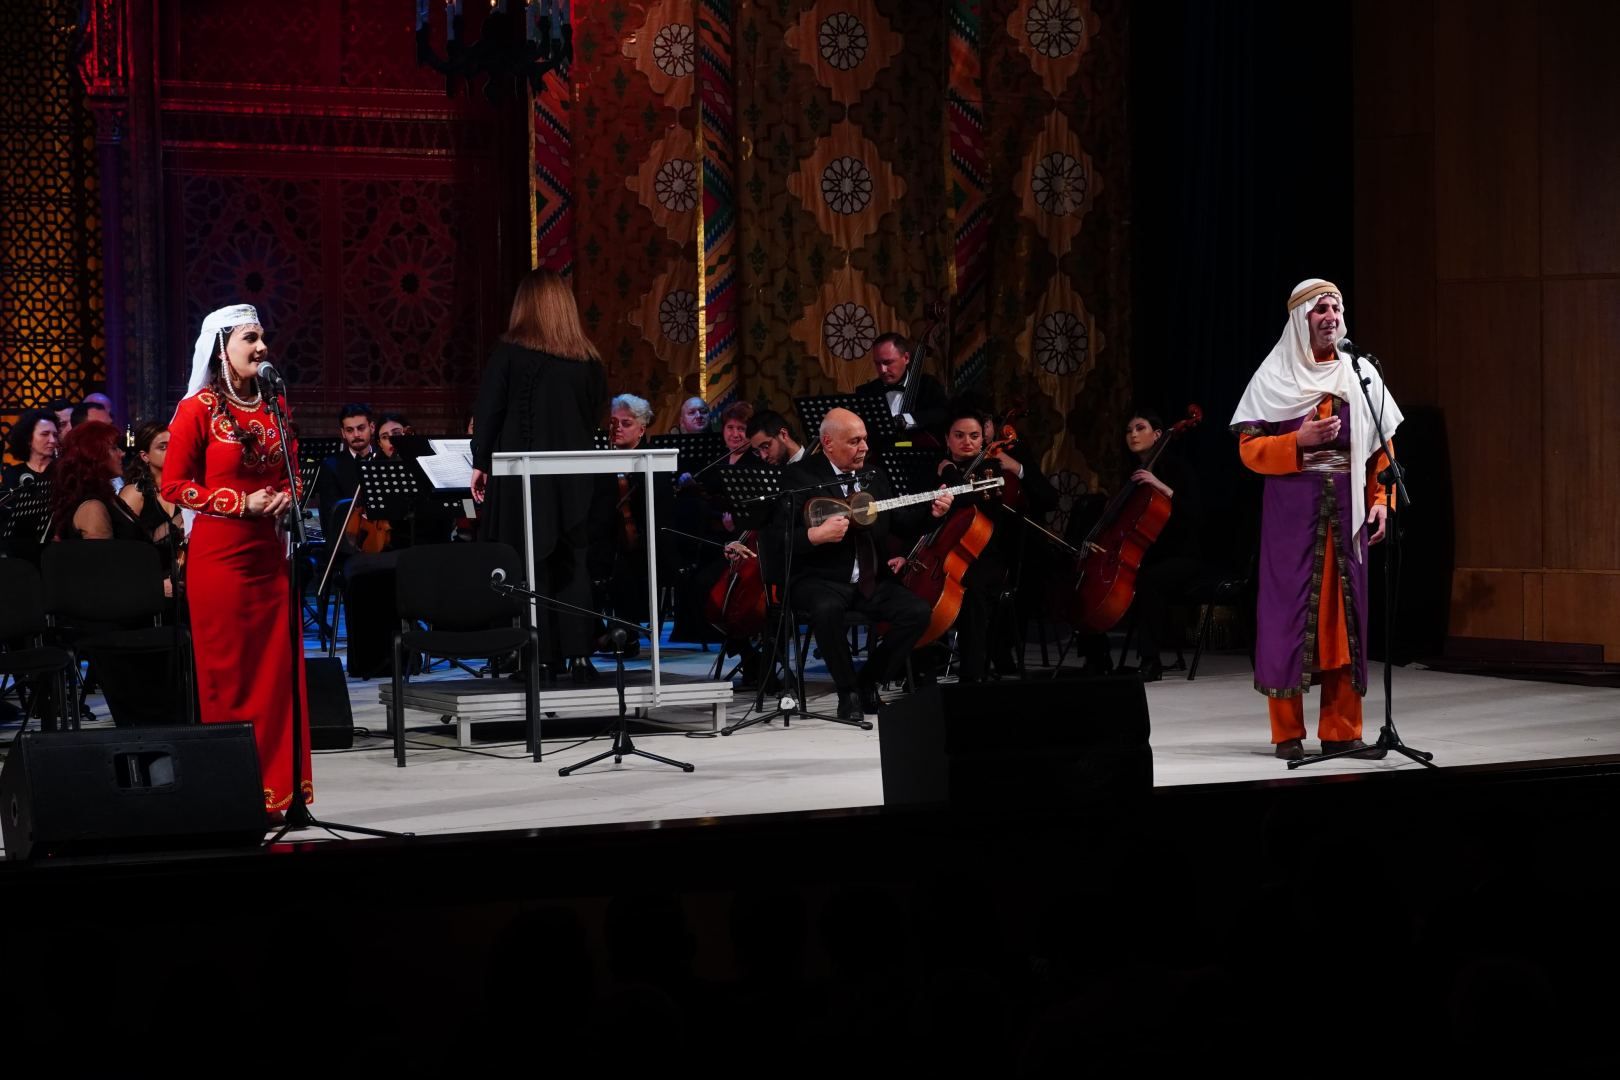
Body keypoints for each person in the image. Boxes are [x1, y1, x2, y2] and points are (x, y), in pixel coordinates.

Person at [1231, 278, 1401, 761]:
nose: (1330, 316)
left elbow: (1383, 449)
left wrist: (1381, 499)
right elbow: (1248, 450)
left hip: (1347, 517)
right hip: (1292, 519)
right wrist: (1297, 442)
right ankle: (1287, 733)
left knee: (1344, 624)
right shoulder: (1275, 376)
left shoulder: (1360, 374)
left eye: (1336, 307)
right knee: (1289, 621)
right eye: (1320, 309)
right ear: (1301, 319)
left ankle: (1342, 731)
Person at [161, 303, 309, 816]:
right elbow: (174, 485)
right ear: (223, 348)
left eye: (263, 337)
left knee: (275, 674)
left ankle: (278, 793)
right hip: (220, 559)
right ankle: (230, 793)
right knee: (229, 675)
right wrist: (237, 503)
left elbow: (293, 467)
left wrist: (288, 495)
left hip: (270, 556)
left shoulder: (275, 403)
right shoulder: (197, 409)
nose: (262, 347)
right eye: (250, 338)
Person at [470, 269, 609, 680]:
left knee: (527, 560)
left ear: (523, 306)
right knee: (573, 560)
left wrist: (480, 463)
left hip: (521, 474)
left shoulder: (510, 354)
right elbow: (595, 414)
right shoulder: (588, 361)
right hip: (576, 473)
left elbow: (489, 412)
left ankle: (534, 653)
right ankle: (580, 654)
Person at [785, 407, 953, 720]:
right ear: (828, 443)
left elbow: (899, 524)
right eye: (854, 441)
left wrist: (933, 514)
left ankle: (868, 683)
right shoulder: (800, 477)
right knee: (826, 609)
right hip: (821, 579)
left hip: (871, 579)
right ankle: (847, 692)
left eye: (865, 440)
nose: (864, 447)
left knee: (917, 613)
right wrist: (815, 536)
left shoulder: (874, 476)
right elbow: (777, 541)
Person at [932, 401, 1058, 681]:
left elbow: (967, 497)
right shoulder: (938, 467)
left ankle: (972, 675)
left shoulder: (991, 470)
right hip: (942, 554)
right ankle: (921, 670)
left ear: (983, 439)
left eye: (974, 436)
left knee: (970, 590)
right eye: (959, 435)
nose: (967, 442)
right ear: (947, 438)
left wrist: (950, 472)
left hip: (983, 558)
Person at [1115, 412, 1203, 681]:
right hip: (1150, 555)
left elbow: (1196, 514)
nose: (1133, 434)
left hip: (1185, 556)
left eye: (1140, 428)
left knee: (1148, 580)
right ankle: (1097, 657)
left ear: (1157, 435)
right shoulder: (1130, 476)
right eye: (1129, 429)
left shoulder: (1177, 469)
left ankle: (1150, 661)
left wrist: (1160, 486)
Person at [51, 420, 142, 543]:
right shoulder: (93, 507)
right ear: (93, 454)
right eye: (114, 448)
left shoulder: (107, 496)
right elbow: (103, 560)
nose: (122, 453)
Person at [120, 421, 185, 577]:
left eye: (174, 445)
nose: (171, 451)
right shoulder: (135, 493)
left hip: (186, 582)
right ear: (145, 456)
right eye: (163, 447)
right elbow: (124, 552)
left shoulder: (189, 489)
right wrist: (157, 584)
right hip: (149, 583)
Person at [855, 332, 949, 438]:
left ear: (906, 358)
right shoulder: (865, 392)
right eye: (877, 363)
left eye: (888, 362)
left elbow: (942, 414)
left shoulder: (928, 385)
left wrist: (906, 420)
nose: (882, 370)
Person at [316, 403, 378, 542]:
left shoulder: (382, 459)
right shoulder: (331, 466)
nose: (356, 434)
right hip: (348, 540)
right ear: (343, 433)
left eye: (361, 428)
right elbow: (331, 515)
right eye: (350, 430)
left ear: (372, 427)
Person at [2, 408, 59, 489]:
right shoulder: (12, 475)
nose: (53, 440)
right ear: (28, 438)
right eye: (45, 434)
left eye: (55, 435)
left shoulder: (63, 469)